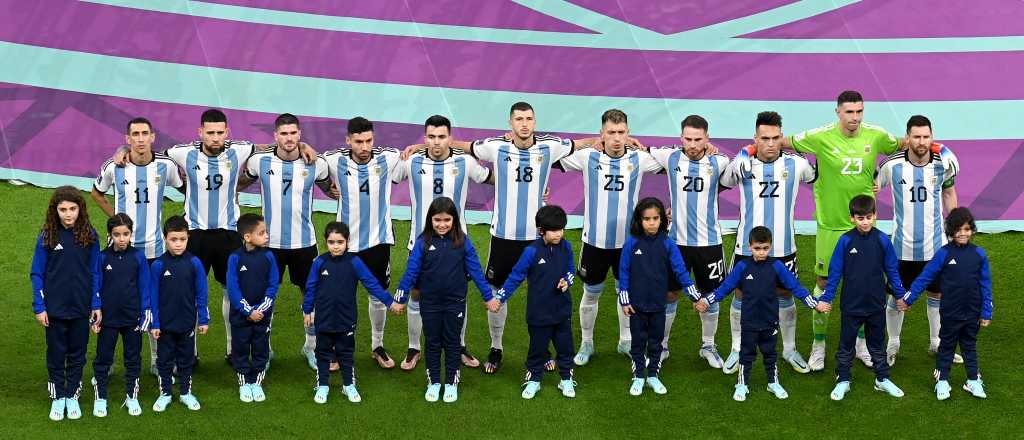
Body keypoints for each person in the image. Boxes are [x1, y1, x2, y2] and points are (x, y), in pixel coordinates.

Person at [737, 91, 903, 371]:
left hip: (863, 225)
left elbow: (903, 144)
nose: (855, 117)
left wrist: (881, 174)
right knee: (824, 284)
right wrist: (748, 151)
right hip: (830, 226)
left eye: (859, 111)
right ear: (838, 111)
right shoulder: (820, 136)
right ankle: (819, 344)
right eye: (849, 112)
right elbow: (778, 141)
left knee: (864, 284)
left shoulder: (876, 135)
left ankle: (861, 345)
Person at [430, 102, 586, 373]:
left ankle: (541, 348)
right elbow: (463, 146)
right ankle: (496, 347)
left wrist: (602, 138)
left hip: (537, 238)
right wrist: (422, 146)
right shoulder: (496, 147)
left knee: (544, 291)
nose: (524, 124)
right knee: (496, 293)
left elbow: (579, 144)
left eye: (528, 119)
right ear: (510, 123)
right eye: (519, 119)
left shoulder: (549, 147)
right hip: (503, 237)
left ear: (535, 122)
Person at [559, 109, 661, 366]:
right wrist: (585, 142)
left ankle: (625, 341)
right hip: (594, 242)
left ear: (628, 133)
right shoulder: (588, 156)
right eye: (611, 132)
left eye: (621, 132)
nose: (616, 138)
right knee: (591, 292)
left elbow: (676, 159)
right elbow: (548, 155)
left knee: (624, 292)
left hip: (628, 244)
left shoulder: (640, 159)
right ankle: (587, 342)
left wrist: (708, 149)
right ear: (602, 134)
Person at [392, 115, 493, 370]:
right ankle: (414, 348)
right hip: (419, 242)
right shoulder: (411, 161)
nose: (436, 142)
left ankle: (459, 345)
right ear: (424, 138)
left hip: (457, 244)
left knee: (458, 294)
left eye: (441, 137)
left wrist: (538, 188)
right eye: (431, 137)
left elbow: (490, 177)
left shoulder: (465, 161)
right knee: (416, 293)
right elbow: (385, 177)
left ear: (450, 138)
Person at [719, 111, 816, 375]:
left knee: (785, 294)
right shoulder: (742, 164)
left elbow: (816, 175)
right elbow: (722, 183)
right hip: (746, 246)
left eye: (775, 138)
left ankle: (789, 349)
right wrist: (742, 154)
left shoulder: (797, 164)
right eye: (764, 138)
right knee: (740, 295)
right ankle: (737, 348)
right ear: (755, 138)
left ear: (781, 137)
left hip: (784, 246)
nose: (770, 144)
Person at [243, 113, 333, 370]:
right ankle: (264, 349)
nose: (289, 138)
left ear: (300, 134)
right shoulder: (259, 161)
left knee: (311, 296)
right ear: (275, 136)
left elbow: (331, 189)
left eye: (293, 133)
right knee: (264, 297)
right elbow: (237, 183)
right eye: (284, 133)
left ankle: (311, 347)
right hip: (268, 244)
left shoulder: (316, 163)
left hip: (304, 244)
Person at [697, 226, 822, 401]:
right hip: (749, 322)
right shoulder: (742, 267)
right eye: (757, 248)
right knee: (746, 355)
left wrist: (814, 304)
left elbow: (795, 287)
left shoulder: (777, 266)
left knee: (770, 354)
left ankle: (773, 382)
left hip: (770, 322)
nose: (761, 252)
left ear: (770, 246)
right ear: (750, 247)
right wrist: (706, 301)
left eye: (765, 248)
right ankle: (742, 384)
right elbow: (724, 288)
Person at [876, 115, 961, 366]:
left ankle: (937, 343)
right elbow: (870, 188)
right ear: (908, 138)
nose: (921, 142)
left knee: (937, 294)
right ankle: (893, 344)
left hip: (936, 247)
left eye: (926, 137)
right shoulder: (892, 165)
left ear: (932, 137)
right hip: (901, 248)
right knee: (897, 297)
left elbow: (949, 193)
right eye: (916, 136)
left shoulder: (943, 163)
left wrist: (955, 227)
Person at [648, 114, 730, 368]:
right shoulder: (670, 157)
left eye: (698, 139)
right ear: (681, 138)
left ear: (707, 139)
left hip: (710, 244)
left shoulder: (720, 161)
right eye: (688, 139)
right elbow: (642, 150)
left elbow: (733, 175)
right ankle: (661, 346)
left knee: (710, 296)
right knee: (669, 293)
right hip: (676, 243)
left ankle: (708, 346)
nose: (693, 145)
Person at [394, 197, 496, 403]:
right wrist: (400, 298)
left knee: (452, 342)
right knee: (432, 342)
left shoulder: (463, 242)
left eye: (447, 220)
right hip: (429, 303)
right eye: (437, 220)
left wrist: (488, 297)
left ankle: (451, 382)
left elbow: (476, 271)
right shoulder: (422, 242)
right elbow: (411, 272)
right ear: (430, 220)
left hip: (455, 302)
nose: (442, 224)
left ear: (454, 220)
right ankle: (433, 382)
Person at [321, 117, 403, 369]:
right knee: (340, 297)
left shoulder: (388, 158)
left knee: (377, 296)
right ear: (348, 140)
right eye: (358, 141)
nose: (365, 146)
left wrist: (419, 146)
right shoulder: (334, 160)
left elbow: (415, 153)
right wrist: (327, 188)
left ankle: (377, 346)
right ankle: (336, 348)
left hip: (378, 243)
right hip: (344, 245)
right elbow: (314, 168)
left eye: (369, 140)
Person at [897, 207, 992, 400]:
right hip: (950, 313)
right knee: (947, 346)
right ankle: (942, 380)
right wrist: (908, 298)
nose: (963, 233)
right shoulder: (943, 254)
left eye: (967, 229)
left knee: (969, 346)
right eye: (958, 229)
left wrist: (986, 312)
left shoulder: (979, 254)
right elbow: (925, 277)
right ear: (950, 231)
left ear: (972, 230)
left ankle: (973, 380)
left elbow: (986, 285)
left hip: (972, 313)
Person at [816, 195, 905, 401]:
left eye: (868, 217)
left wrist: (900, 296)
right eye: (860, 218)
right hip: (851, 306)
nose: (865, 222)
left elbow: (892, 271)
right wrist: (827, 298)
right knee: (846, 346)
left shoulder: (882, 240)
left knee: (877, 345)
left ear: (875, 216)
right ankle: (843, 380)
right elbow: (835, 273)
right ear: (852, 218)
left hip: (876, 305)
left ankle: (882, 379)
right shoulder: (845, 241)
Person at [303, 222, 402, 404]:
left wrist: (389, 302)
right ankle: (323, 385)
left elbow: (372, 283)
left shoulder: (355, 262)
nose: (336, 246)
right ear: (326, 242)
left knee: (346, 353)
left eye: (340, 242)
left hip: (346, 318)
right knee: (323, 353)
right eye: (331, 242)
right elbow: (310, 288)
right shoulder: (319, 262)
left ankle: (348, 385)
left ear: (347, 241)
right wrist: (307, 310)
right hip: (323, 319)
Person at [617, 197, 701, 396]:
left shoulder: (668, 244)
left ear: (662, 219)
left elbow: (680, 271)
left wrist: (695, 296)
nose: (652, 223)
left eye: (655, 218)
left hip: (658, 304)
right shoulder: (631, 243)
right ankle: (639, 376)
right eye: (647, 219)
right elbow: (624, 272)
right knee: (638, 343)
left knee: (657, 342)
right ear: (639, 220)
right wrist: (625, 301)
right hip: (636, 306)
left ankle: (653, 375)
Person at [30, 186, 101, 421]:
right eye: (63, 209)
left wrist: (95, 304)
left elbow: (95, 272)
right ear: (55, 210)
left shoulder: (90, 235)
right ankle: (58, 396)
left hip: (81, 308)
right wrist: (40, 307)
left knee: (78, 354)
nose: (68, 214)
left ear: (80, 209)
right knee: (56, 354)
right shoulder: (47, 236)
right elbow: (37, 273)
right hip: (54, 310)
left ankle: (72, 395)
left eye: (73, 208)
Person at [495, 205, 577, 399]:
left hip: (562, 311)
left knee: (565, 348)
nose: (559, 234)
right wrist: (500, 297)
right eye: (554, 230)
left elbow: (571, 270)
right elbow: (516, 276)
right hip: (538, 313)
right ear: (541, 231)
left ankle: (566, 378)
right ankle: (533, 380)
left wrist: (567, 281)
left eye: (561, 229)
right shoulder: (531, 252)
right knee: (537, 349)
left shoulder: (566, 247)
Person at [91, 117, 184, 260]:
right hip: (121, 243)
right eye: (135, 134)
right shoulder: (113, 166)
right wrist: (117, 218)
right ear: (128, 139)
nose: (141, 139)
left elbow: (184, 188)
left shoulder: (167, 165)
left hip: (154, 247)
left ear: (152, 137)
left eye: (145, 133)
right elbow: (96, 193)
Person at [91, 214, 151, 417]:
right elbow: (95, 286)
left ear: (131, 234)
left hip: (132, 318)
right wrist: (95, 313)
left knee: (133, 359)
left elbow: (145, 287)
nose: (122, 239)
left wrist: (145, 313)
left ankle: (132, 396)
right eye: (117, 234)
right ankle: (100, 398)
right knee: (103, 358)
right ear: (110, 235)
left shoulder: (138, 257)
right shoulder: (101, 258)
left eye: (126, 234)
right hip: (107, 319)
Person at [150, 215, 210, 412]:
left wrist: (203, 319)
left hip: (187, 322)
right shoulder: (158, 265)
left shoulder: (195, 263)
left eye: (182, 239)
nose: (178, 244)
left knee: (186, 359)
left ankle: (185, 393)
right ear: (165, 238)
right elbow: (153, 296)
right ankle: (165, 393)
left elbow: (202, 292)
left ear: (188, 238)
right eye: (173, 239)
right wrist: (155, 323)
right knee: (164, 361)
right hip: (165, 325)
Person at [226, 213, 279, 403]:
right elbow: (233, 289)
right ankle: (244, 383)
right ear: (247, 237)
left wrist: (260, 310)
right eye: (262, 233)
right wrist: (248, 311)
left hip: (262, 316)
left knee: (260, 349)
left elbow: (273, 285)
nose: (267, 236)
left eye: (266, 232)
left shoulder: (269, 256)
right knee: (240, 350)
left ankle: (257, 382)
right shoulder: (235, 258)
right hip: (241, 316)